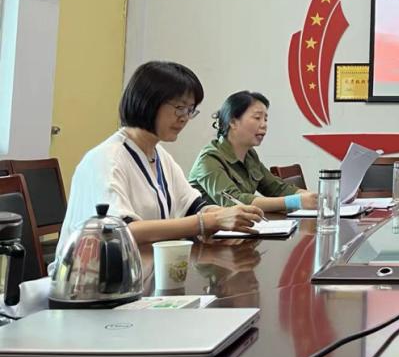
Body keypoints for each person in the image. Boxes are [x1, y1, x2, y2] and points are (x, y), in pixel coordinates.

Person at [56, 61, 263, 258]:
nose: (184, 118)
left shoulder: (160, 156)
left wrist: (228, 215)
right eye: (180, 107)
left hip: (147, 270)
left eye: (190, 110)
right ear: (148, 102)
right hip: (96, 277)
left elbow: (194, 206)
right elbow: (122, 231)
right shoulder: (106, 159)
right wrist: (209, 221)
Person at [189, 91, 317, 212]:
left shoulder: (250, 155)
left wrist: (315, 198)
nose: (264, 125)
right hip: (208, 228)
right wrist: (295, 201)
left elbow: (277, 189)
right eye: (257, 118)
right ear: (233, 122)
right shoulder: (208, 159)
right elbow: (234, 201)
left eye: (265, 119)